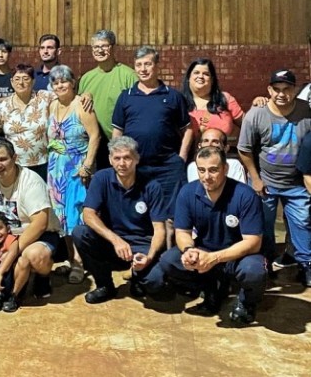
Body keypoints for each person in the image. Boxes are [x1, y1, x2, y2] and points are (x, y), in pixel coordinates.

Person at [149, 147, 267, 324]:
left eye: (213, 170)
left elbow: (254, 242)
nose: (206, 176)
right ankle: (211, 290)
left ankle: (246, 302)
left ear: (225, 169)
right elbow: (182, 232)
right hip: (204, 249)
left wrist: (215, 258)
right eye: (201, 170)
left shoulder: (245, 195)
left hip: (238, 255)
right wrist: (189, 250)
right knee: (169, 260)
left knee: (254, 271)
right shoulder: (188, 192)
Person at [113, 46, 192, 247]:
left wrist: (181, 158)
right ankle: (145, 257)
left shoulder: (173, 96)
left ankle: (169, 260)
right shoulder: (126, 96)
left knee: (170, 217)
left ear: (157, 66)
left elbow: (188, 130)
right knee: (139, 212)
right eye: (139, 65)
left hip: (167, 167)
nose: (143, 69)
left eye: (148, 64)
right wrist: (117, 157)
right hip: (136, 167)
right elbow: (117, 132)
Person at [237, 69, 311, 285]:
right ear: (269, 90)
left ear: (294, 90)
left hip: (296, 183)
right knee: (263, 225)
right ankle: (265, 264)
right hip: (265, 182)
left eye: (287, 89)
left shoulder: (306, 111)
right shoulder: (256, 114)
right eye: (276, 89)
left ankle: (306, 265)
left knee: (302, 223)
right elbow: (244, 149)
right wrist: (256, 178)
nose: (281, 94)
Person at [73, 136, 167, 304]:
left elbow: (160, 229)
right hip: (112, 242)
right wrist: (116, 240)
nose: (122, 163)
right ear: (110, 159)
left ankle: (138, 277)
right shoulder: (101, 178)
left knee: (155, 284)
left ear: (136, 159)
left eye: (127, 158)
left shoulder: (152, 186)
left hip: (141, 243)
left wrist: (150, 257)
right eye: (117, 158)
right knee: (80, 233)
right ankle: (105, 286)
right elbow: (88, 214)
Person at [0, 138, 61, 308]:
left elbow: (40, 223)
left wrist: (12, 251)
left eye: (3, 159)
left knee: (33, 256)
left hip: (38, 235)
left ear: (14, 158)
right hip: (3, 237)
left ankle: (40, 278)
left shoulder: (31, 181)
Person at [46, 65, 100, 284]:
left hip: (76, 168)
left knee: (76, 214)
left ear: (73, 82)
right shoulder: (51, 105)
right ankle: (70, 258)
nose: (60, 85)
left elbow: (95, 136)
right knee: (61, 218)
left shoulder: (82, 105)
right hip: (55, 169)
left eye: (64, 81)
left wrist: (87, 166)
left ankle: (80, 262)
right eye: (55, 82)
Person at [78, 29, 137, 169]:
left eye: (104, 46)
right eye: (96, 47)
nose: (100, 50)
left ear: (113, 47)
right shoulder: (86, 79)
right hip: (93, 146)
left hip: (120, 145)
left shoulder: (128, 76)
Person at [0, 63, 51, 180]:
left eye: (26, 79)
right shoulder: (4, 106)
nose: (21, 83)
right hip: (14, 164)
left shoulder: (44, 98)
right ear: (11, 82)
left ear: (33, 82)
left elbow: (66, 96)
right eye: (17, 79)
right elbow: (0, 130)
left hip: (42, 163)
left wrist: (86, 95)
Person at [182, 58, 244, 142]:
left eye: (206, 74)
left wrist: (257, 105)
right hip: (186, 154)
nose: (200, 76)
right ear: (188, 77)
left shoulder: (224, 99)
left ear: (212, 79)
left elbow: (248, 125)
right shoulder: (180, 102)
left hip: (222, 153)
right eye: (196, 73)